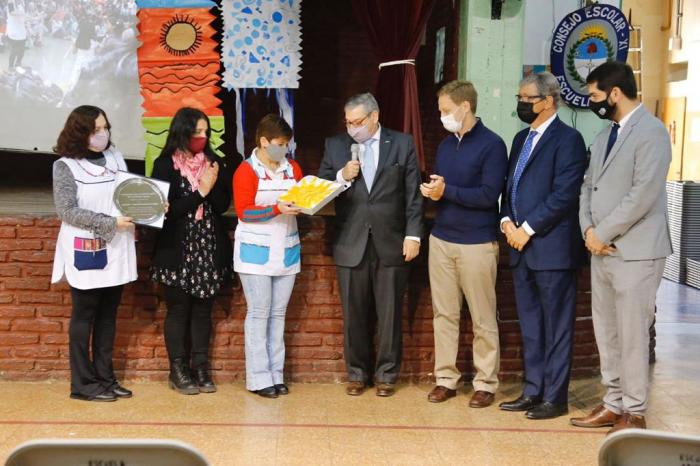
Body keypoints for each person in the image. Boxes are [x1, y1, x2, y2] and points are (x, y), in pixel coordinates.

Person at [571, 61, 672, 434]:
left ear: (615, 93)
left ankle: (635, 410)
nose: (593, 103)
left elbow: (642, 194)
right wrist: (588, 230)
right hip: (601, 249)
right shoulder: (605, 135)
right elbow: (587, 186)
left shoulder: (653, 133)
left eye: (595, 96)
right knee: (607, 331)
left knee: (632, 333)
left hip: (636, 251)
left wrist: (605, 231)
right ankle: (613, 402)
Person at [318, 93, 423, 397]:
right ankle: (356, 373)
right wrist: (342, 176)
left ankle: (387, 374)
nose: (352, 128)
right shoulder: (336, 146)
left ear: (374, 117)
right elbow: (320, 190)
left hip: (391, 241)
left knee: (390, 313)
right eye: (348, 122)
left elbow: (412, 195)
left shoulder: (402, 143)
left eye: (357, 122)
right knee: (354, 313)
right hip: (351, 242)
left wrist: (413, 235)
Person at [498, 72, 587, 420]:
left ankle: (555, 396)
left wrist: (528, 228)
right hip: (519, 248)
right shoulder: (521, 138)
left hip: (550, 249)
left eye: (526, 98)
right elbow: (511, 186)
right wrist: (506, 220)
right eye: (520, 97)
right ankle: (533, 390)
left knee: (557, 326)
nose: (521, 104)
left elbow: (564, 194)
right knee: (531, 325)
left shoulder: (569, 140)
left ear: (548, 101)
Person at [420, 81, 507, 407]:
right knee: (444, 315)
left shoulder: (492, 145)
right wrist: (433, 191)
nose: (442, 116)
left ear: (465, 107)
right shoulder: (445, 146)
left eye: (445, 110)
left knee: (483, 317)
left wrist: (448, 192)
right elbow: (445, 186)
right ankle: (446, 378)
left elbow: (488, 196)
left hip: (477, 243)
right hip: (442, 238)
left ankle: (485, 382)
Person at [51, 105, 136, 402]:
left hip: (118, 245)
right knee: (85, 316)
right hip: (86, 246)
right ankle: (83, 384)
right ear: (80, 132)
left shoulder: (114, 155)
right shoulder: (65, 166)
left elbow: (128, 192)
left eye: (105, 127)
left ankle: (105, 377)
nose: (103, 134)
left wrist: (149, 207)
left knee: (108, 316)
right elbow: (67, 210)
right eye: (96, 129)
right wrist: (109, 222)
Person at [150, 107, 233, 395]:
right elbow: (168, 213)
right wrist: (200, 192)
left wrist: (213, 185)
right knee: (178, 309)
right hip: (177, 248)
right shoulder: (164, 166)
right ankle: (178, 369)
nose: (202, 137)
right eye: (197, 131)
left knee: (203, 310)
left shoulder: (214, 162)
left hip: (207, 246)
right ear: (182, 132)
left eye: (206, 132)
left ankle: (200, 367)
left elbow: (222, 205)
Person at [233, 114, 303, 399]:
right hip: (254, 254)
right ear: (263, 142)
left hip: (286, 251)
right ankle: (259, 377)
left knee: (278, 314)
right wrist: (277, 208)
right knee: (259, 313)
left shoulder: (292, 168)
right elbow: (244, 211)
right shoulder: (246, 171)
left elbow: (300, 198)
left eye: (286, 144)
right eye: (279, 143)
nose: (283, 149)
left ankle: (276, 374)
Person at [6, 0, 27, 69]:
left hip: (22, 32)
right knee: (14, 51)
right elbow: (12, 12)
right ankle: (10, 66)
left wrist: (35, 18)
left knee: (22, 51)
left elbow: (24, 18)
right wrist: (21, 13)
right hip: (13, 33)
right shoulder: (11, 2)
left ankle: (18, 64)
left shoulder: (21, 5)